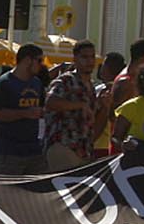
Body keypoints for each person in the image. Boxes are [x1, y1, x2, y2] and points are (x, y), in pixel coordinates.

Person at [42, 41, 107, 171]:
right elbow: (50, 102)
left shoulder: (91, 88)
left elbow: (93, 127)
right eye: (84, 57)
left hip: (83, 149)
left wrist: (105, 107)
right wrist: (79, 105)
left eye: (92, 57)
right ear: (75, 59)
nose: (89, 61)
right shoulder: (66, 80)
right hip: (63, 144)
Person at [0, 44, 51, 176]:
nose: (42, 65)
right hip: (9, 152)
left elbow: (41, 109)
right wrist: (25, 113)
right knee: (6, 194)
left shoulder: (37, 83)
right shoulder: (4, 83)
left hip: (34, 151)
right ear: (28, 60)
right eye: (39, 60)